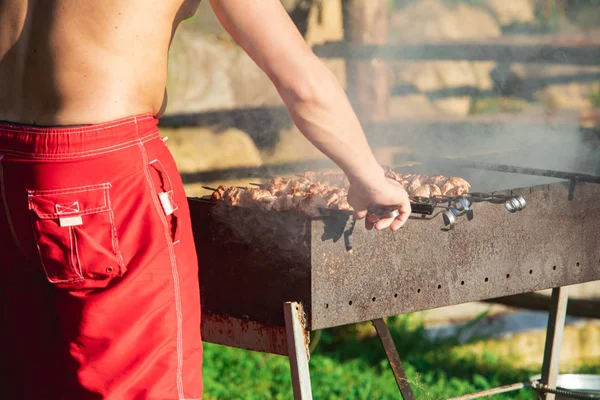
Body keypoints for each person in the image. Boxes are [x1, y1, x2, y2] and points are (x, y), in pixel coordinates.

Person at [0, 0, 411, 398]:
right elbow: (303, 84)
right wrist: (368, 177)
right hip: (106, 173)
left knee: (28, 379)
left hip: (6, 167)